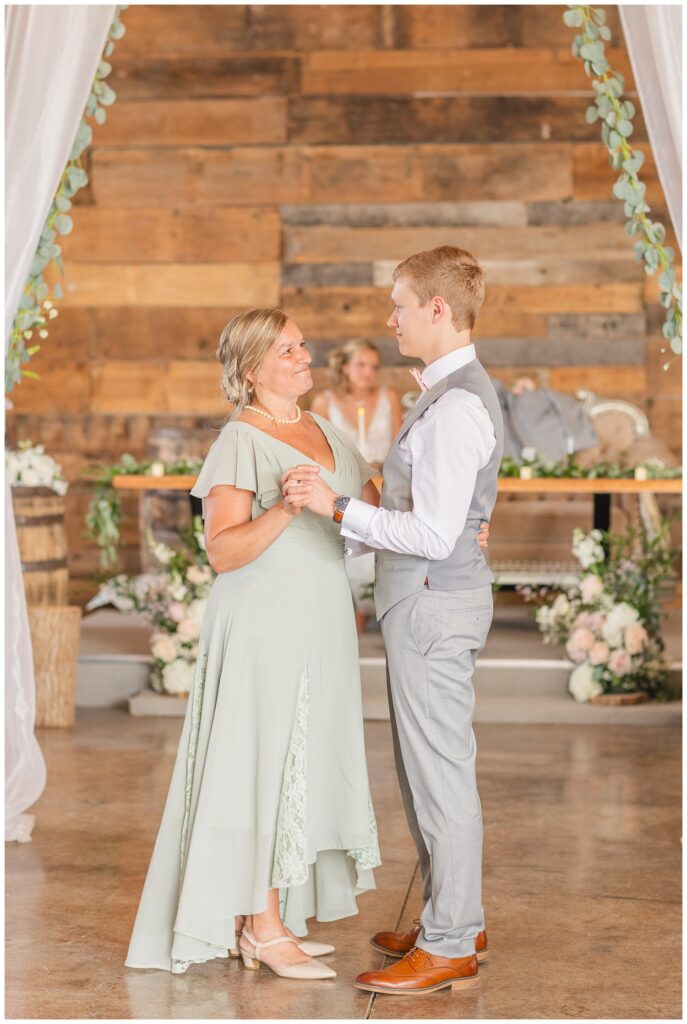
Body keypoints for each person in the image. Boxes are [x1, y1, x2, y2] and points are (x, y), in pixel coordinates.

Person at [125, 309, 383, 981]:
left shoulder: (324, 427)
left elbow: (369, 497)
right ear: (251, 370)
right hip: (264, 619)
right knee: (264, 762)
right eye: (289, 350)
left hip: (323, 617)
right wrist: (288, 508)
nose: (305, 356)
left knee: (303, 758)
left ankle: (274, 915)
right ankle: (261, 928)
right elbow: (222, 551)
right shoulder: (240, 440)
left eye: (302, 346)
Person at [283, 245, 504, 996]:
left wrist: (337, 506)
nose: (390, 319)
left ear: (436, 310)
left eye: (400, 305)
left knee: (439, 775)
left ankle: (448, 943)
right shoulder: (450, 395)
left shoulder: (456, 404)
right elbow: (460, 510)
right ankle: (455, 916)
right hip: (431, 600)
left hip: (432, 603)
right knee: (424, 774)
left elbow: (436, 535)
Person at [311, 341, 403, 634]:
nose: (368, 373)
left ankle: (385, 606)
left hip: (383, 482)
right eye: (361, 365)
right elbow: (319, 451)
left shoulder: (389, 397)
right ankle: (355, 612)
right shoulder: (324, 402)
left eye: (374, 367)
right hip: (343, 486)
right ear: (345, 367)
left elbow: (399, 447)